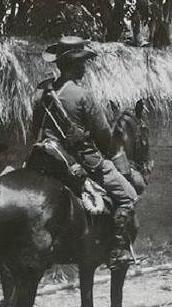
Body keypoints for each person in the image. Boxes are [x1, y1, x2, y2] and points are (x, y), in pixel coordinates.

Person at [30, 36, 139, 269]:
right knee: (128, 195)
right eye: (82, 63)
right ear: (74, 65)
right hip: (79, 160)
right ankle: (118, 250)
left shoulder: (42, 93)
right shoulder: (82, 95)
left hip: (44, 158)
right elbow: (106, 140)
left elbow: (33, 132)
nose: (84, 68)